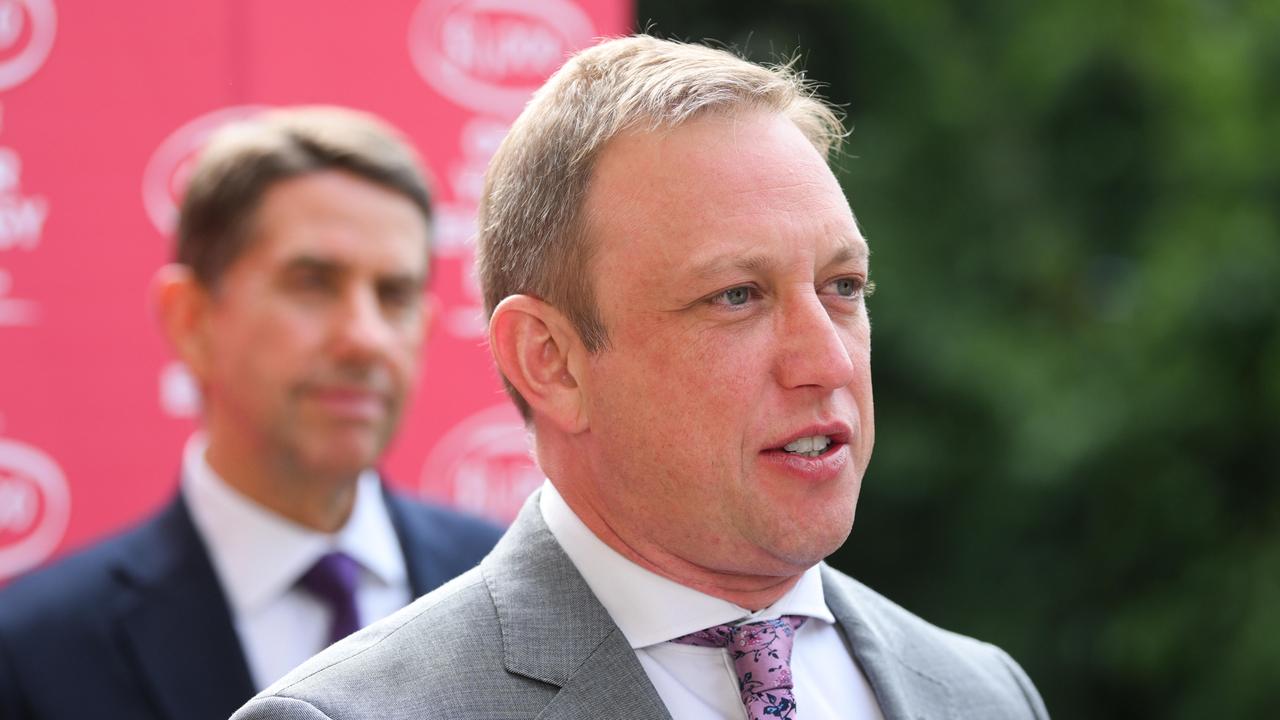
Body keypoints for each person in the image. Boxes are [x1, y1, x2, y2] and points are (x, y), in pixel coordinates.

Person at [230, 38, 1050, 720]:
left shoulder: (982, 695)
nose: (827, 361)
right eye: (737, 296)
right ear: (549, 361)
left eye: (842, 288)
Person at [0, 107, 503, 720]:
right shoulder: (35, 653)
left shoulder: (515, 592)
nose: (366, 337)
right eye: (312, 283)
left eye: (393, 295)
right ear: (190, 319)